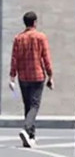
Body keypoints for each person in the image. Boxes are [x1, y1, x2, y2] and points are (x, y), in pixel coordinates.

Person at [9, 11, 53, 148]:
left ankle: (30, 136)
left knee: (28, 106)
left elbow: (14, 59)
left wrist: (12, 77)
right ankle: (27, 128)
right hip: (38, 76)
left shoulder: (18, 38)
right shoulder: (41, 37)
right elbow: (46, 57)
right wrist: (51, 75)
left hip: (23, 77)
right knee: (34, 105)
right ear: (35, 22)